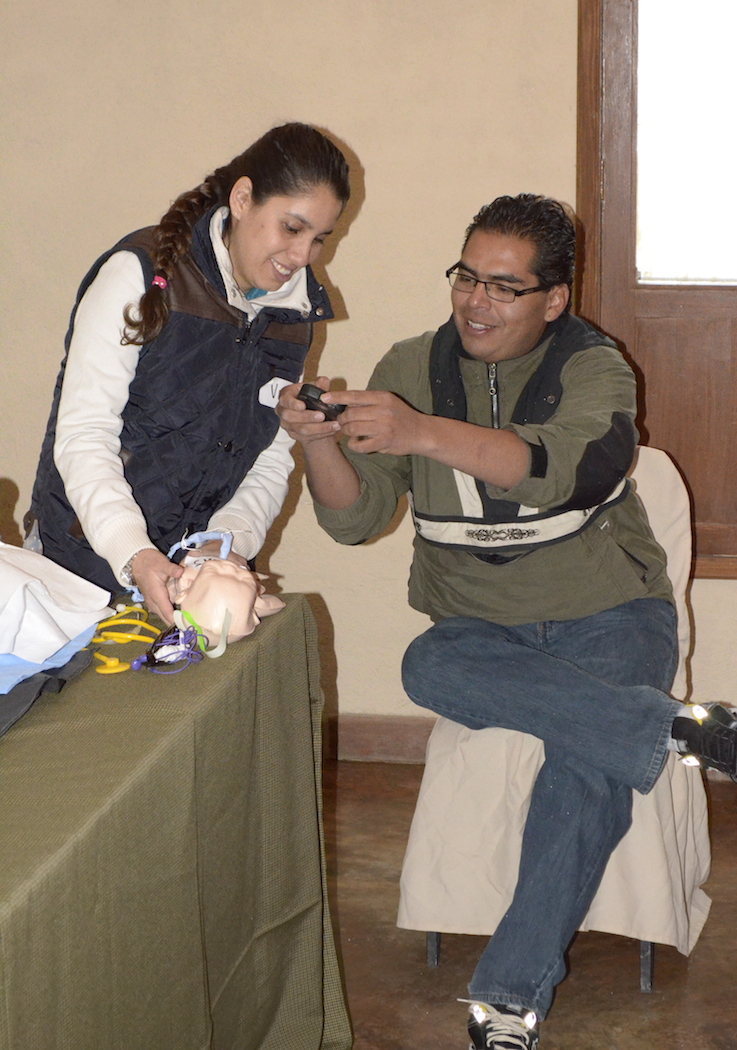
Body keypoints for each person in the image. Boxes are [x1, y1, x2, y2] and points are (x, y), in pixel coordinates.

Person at [277, 193, 737, 1049]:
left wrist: (423, 433)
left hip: (610, 614)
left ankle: (507, 1000)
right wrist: (315, 442)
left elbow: (567, 472)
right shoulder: (410, 365)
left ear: (553, 299)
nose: (474, 302)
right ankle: (676, 727)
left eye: (503, 286)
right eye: (465, 277)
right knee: (425, 665)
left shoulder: (596, 366)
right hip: (478, 635)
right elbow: (353, 520)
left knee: (586, 762)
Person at [27, 122, 350, 625]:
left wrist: (224, 545)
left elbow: (268, 458)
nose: (303, 256)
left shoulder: (293, 316)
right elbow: (84, 435)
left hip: (194, 579)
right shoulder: (139, 274)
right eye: (292, 228)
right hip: (80, 567)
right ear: (242, 199)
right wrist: (135, 554)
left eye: (319, 239)